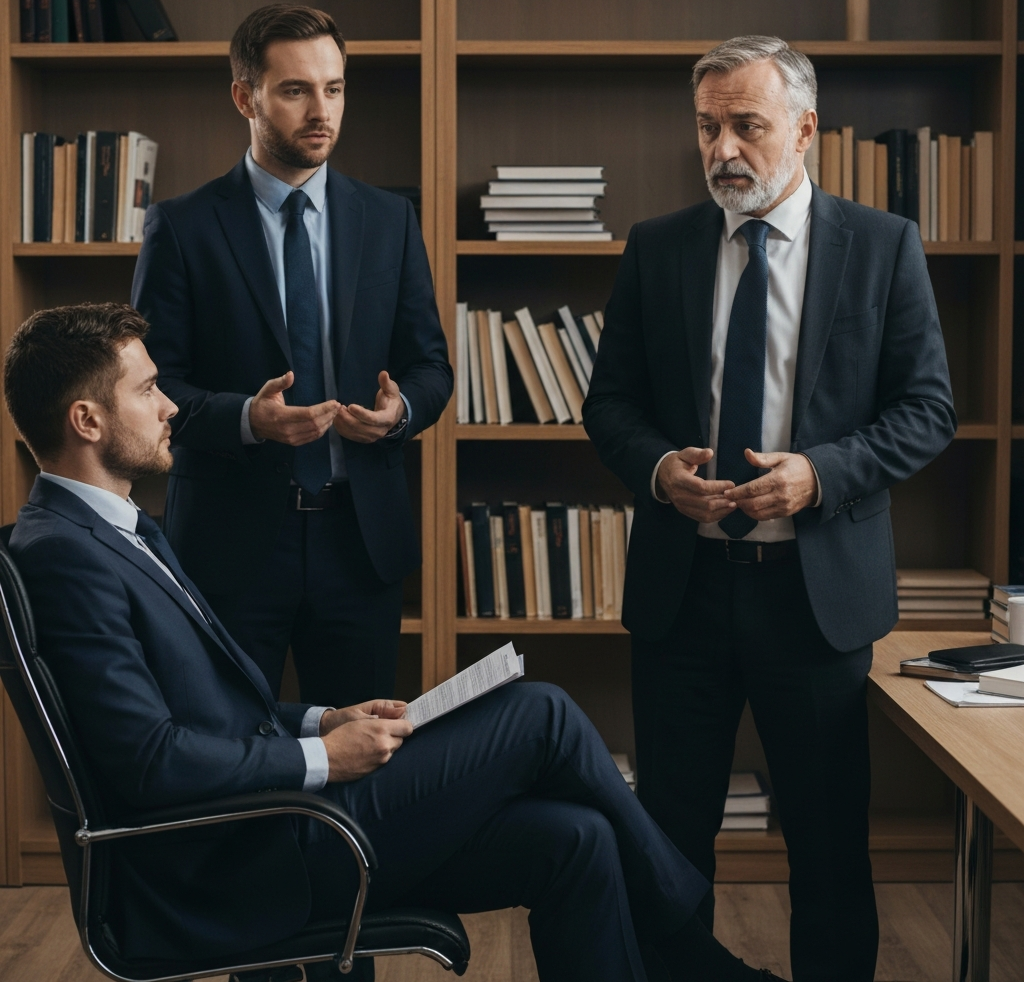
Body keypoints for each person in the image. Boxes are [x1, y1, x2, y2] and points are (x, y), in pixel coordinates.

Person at [4, 304, 787, 982]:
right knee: (540, 713)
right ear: (87, 420)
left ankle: (682, 951)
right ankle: (692, 953)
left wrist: (322, 721)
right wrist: (323, 762)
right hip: (240, 857)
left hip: (267, 821)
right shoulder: (64, 556)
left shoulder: (116, 528)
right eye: (146, 389)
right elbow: (148, 761)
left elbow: (200, 712)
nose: (171, 405)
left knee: (573, 838)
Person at [583, 36, 956, 982]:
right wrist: (662, 467)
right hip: (685, 593)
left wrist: (821, 474)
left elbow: (928, 411)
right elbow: (609, 406)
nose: (723, 150)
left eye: (746, 126)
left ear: (804, 129)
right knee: (670, 848)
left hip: (814, 597)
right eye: (708, 127)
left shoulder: (882, 247)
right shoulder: (659, 247)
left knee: (828, 853)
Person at [131, 4, 452, 708]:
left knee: (364, 762)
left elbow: (431, 365)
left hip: (359, 541)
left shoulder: (390, 220)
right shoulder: (183, 228)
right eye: (296, 90)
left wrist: (400, 414)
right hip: (230, 545)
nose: (321, 111)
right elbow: (150, 391)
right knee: (231, 762)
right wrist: (249, 419)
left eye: (333, 89)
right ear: (246, 97)